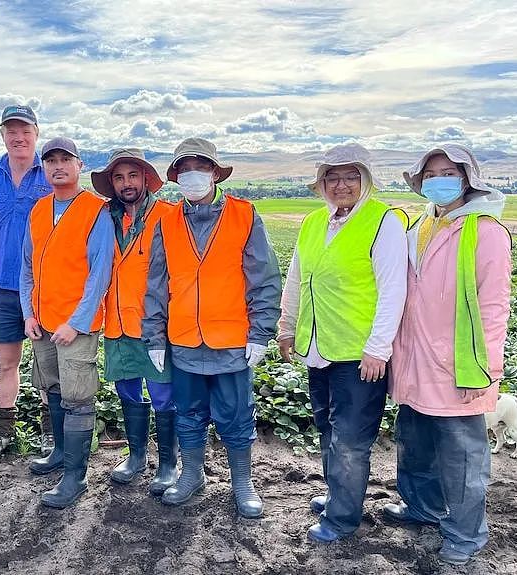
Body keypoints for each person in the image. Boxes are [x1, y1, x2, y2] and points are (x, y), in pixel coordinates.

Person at [386, 143, 511, 566]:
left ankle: (464, 535)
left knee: (462, 457)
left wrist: (486, 367)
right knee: (414, 442)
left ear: (467, 179)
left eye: (448, 172)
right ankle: (422, 508)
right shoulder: (418, 225)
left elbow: (494, 305)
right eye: (431, 174)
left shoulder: (485, 231)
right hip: (413, 357)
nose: (439, 180)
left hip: (459, 364)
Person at [143, 138, 281, 519]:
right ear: (175, 178)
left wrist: (260, 331)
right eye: (183, 169)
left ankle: (242, 483)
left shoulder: (244, 215)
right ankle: (192, 475)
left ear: (216, 173)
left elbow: (264, 278)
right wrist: (154, 335)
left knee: (236, 414)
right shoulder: (166, 222)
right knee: (187, 412)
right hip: (185, 340)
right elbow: (156, 283)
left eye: (199, 167)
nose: (191, 176)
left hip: (232, 341)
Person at [277, 144, 408, 542]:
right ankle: (339, 494)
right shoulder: (314, 222)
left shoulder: (382, 221)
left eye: (351, 176)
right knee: (328, 429)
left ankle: (342, 518)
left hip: (359, 353)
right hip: (320, 347)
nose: (341, 185)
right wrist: (287, 325)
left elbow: (393, 289)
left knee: (351, 439)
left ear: (366, 180)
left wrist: (378, 347)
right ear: (321, 184)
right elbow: (297, 277)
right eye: (332, 177)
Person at [21, 137, 114, 508]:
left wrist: (76, 322)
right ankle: (59, 454)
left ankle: (76, 477)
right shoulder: (39, 209)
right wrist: (29, 314)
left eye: (65, 160)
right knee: (54, 391)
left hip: (75, 326)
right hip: (43, 323)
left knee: (77, 398)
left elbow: (99, 274)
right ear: (44, 168)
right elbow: (27, 267)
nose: (58, 166)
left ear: (79, 165)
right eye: (51, 161)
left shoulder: (96, 210)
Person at [90, 149, 178, 495]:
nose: (126, 184)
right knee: (127, 390)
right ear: (112, 183)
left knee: (162, 393)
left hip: (155, 324)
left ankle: (169, 462)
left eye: (132, 176)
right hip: (116, 320)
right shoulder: (103, 217)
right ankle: (137, 454)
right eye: (118, 177)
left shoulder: (168, 215)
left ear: (145, 179)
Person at [0, 105, 53, 458]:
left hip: (46, 285)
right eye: (11, 131)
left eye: (25, 130)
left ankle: (52, 431)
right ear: (2, 134)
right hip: (3, 282)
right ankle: (2, 431)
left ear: (36, 132)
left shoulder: (50, 172)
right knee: (6, 362)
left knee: (48, 362)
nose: (19, 137)